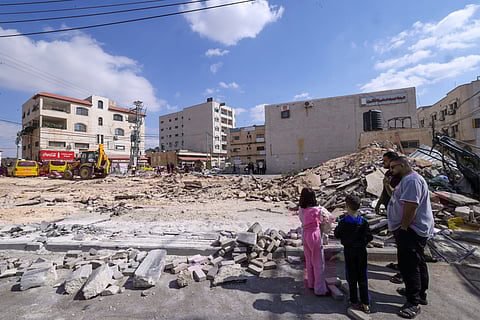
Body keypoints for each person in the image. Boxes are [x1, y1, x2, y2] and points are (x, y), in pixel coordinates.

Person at [387, 156, 434, 319]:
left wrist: (404, 228)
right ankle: (420, 293)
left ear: (402, 165)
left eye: (393, 167)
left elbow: (411, 206)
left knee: (409, 266)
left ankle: (413, 303)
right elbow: (398, 200)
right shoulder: (407, 180)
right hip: (411, 229)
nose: (391, 171)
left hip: (411, 230)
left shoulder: (412, 181)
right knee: (418, 261)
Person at [334, 195, 373, 314]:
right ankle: (366, 302)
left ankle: (354, 300)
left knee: (351, 276)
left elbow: (337, 234)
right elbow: (369, 237)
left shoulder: (344, 222)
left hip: (349, 251)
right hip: (361, 251)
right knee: (362, 277)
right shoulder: (364, 222)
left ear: (347, 206)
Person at [375, 151, 403, 284]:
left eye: (386, 162)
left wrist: (387, 185)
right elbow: (384, 192)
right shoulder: (389, 174)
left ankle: (403, 272)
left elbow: (396, 195)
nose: (385, 164)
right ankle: (400, 264)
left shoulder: (400, 177)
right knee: (398, 241)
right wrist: (380, 202)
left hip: (399, 212)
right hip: (390, 210)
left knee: (403, 243)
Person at [298, 188, 329, 296]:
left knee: (309, 261)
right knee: (318, 262)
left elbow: (302, 220)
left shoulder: (301, 209)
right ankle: (320, 289)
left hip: (305, 234)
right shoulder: (318, 210)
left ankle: (311, 283)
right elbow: (324, 220)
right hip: (315, 235)